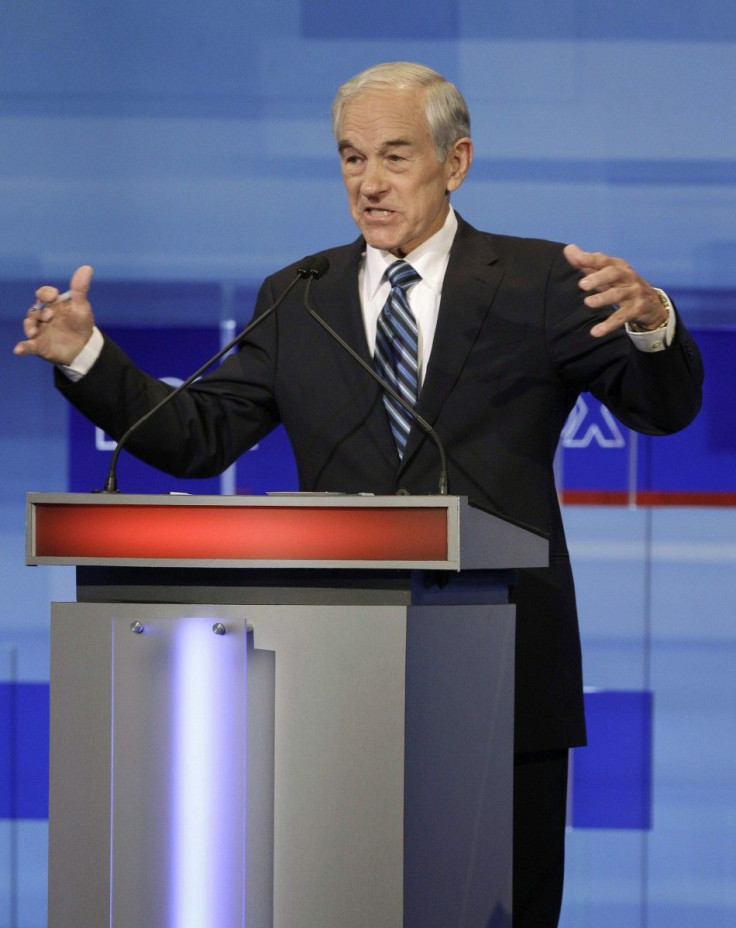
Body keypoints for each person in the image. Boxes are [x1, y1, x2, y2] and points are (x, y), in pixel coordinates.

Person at [15, 62, 703, 927]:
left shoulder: (540, 283)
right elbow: (198, 439)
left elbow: (663, 409)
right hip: (332, 682)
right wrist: (88, 356)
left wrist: (652, 326)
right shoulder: (299, 297)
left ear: (455, 163)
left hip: (505, 674)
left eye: (394, 157)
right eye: (350, 159)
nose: (368, 184)